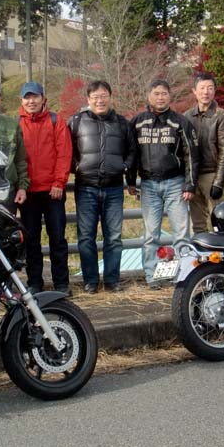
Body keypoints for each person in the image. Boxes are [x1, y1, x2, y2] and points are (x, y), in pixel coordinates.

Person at [128, 79, 199, 289]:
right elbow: (131, 154)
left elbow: (191, 155)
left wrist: (190, 184)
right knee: (151, 234)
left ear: (170, 96)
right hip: (148, 184)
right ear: (149, 96)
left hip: (176, 183)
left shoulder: (180, 122)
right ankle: (152, 277)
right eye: (156, 93)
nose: (160, 97)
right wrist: (130, 181)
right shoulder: (138, 122)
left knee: (181, 233)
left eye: (164, 94)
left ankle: (184, 275)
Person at [68, 80, 137, 294]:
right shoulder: (76, 121)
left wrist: (125, 168)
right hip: (85, 187)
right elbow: (66, 150)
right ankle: (90, 281)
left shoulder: (122, 123)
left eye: (104, 95)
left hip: (114, 188)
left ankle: (112, 280)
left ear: (110, 97)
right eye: (95, 96)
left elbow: (132, 151)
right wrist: (76, 167)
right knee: (86, 237)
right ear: (88, 99)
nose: (100, 100)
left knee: (114, 238)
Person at [17, 81, 72, 294]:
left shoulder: (55, 120)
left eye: (35, 97)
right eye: (27, 97)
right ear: (22, 101)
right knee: (31, 240)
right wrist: (20, 185)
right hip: (28, 192)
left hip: (52, 191)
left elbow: (64, 153)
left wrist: (59, 182)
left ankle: (61, 284)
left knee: (57, 238)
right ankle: (35, 283)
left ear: (43, 99)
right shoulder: (17, 123)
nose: (31, 101)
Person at [184, 73, 224, 234]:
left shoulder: (222, 116)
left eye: (210, 88)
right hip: (193, 175)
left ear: (214, 91)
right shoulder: (187, 116)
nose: (205, 92)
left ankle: (221, 248)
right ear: (194, 91)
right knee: (198, 224)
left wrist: (218, 182)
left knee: (219, 220)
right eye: (202, 88)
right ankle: (201, 249)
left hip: (212, 173)